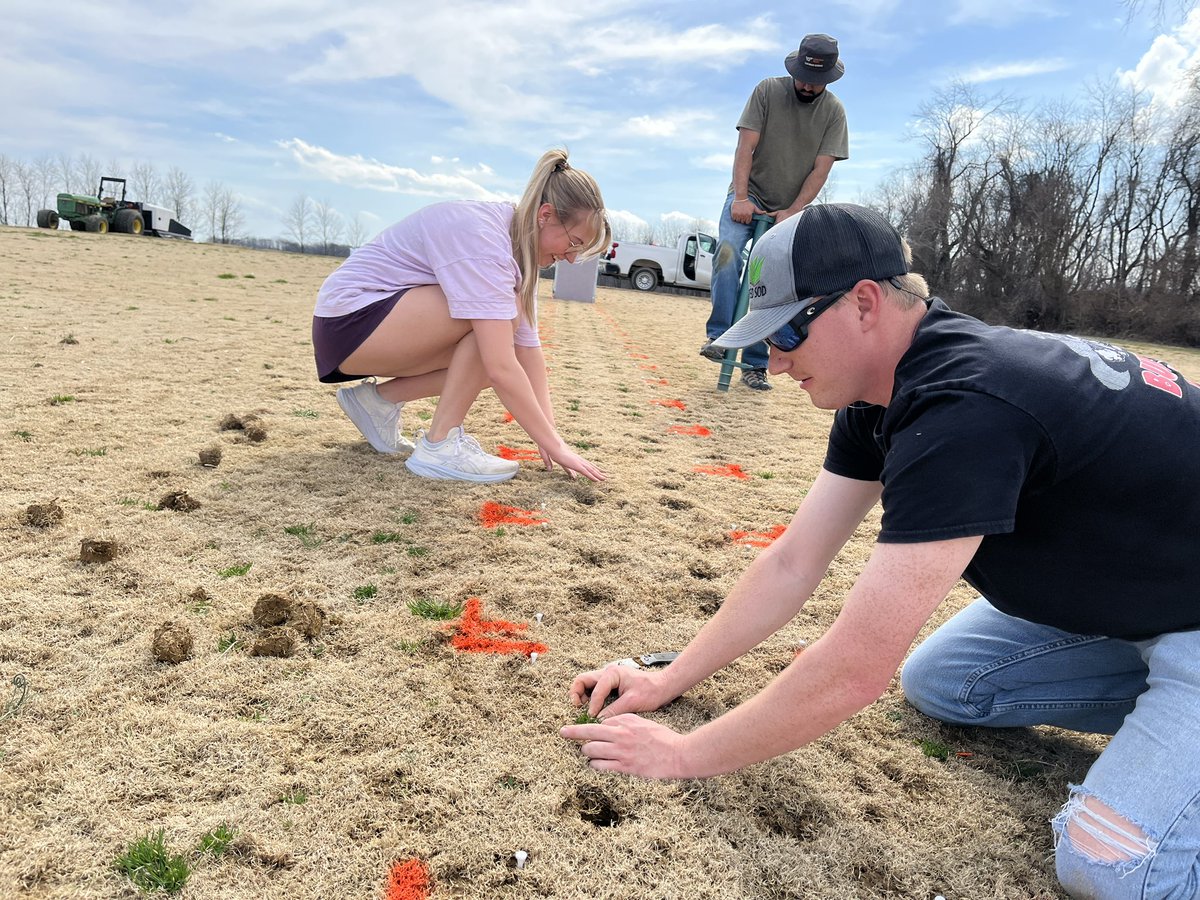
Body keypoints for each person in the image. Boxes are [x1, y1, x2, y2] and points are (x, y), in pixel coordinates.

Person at [562, 203, 1200, 898]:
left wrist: (684, 756)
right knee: (946, 683)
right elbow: (792, 562)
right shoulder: (881, 396)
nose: (772, 363)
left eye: (786, 334)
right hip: (1148, 597)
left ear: (863, 303)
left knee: (1108, 867)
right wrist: (669, 677)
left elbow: (854, 671)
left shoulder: (966, 405)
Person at [312, 149, 610, 484]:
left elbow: (529, 353)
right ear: (545, 215)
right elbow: (500, 366)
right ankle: (439, 446)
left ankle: (377, 402)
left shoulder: (518, 255)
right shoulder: (484, 239)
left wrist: (551, 438)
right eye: (574, 243)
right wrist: (553, 443)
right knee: (497, 335)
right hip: (351, 322)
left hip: (366, 329)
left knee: (498, 338)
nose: (570, 258)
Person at [700, 33, 849, 392]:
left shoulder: (833, 113)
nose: (808, 86)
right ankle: (720, 337)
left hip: (789, 207)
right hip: (746, 194)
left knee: (767, 283)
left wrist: (793, 211)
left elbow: (820, 170)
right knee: (728, 254)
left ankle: (755, 363)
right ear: (795, 67)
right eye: (804, 77)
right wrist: (740, 198)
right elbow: (745, 147)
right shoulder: (767, 91)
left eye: (817, 82)